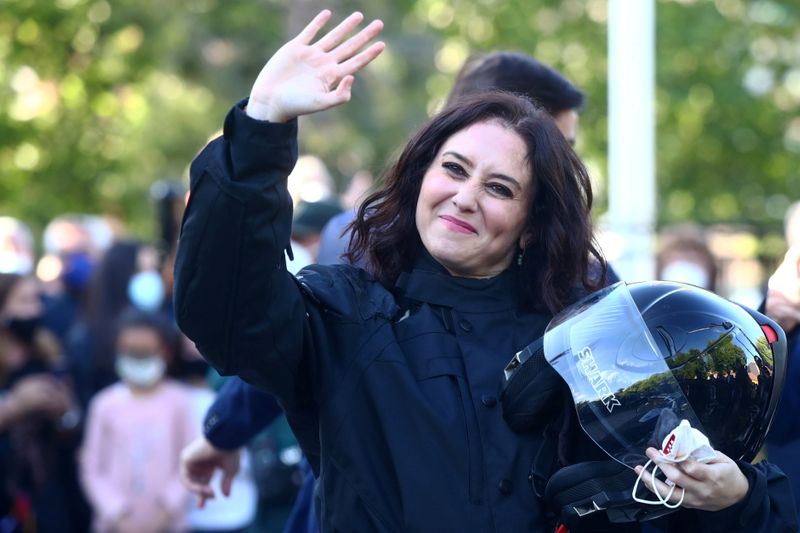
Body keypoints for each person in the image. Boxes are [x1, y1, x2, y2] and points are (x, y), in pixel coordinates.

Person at [174, 11, 793, 531]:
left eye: (499, 187)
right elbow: (226, 310)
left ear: (531, 221)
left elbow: (680, 490)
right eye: (453, 168)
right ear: (419, 176)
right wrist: (261, 128)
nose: (465, 197)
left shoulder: (593, 334)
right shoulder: (341, 313)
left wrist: (733, 498)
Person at [79, 308, 194, 533]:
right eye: (130, 352)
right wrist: (117, 514)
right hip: (114, 526)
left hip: (167, 525)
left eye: (145, 352)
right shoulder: (104, 404)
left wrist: (164, 512)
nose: (137, 359)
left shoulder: (179, 401)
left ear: (166, 353)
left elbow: (190, 463)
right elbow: (91, 468)